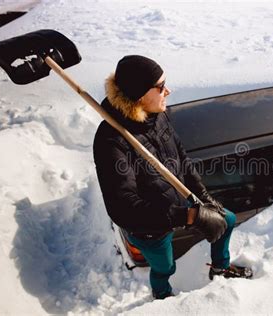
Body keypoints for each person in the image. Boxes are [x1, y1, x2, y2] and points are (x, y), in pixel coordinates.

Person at [93, 55, 252, 299]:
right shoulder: (112, 142)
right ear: (139, 95)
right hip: (150, 228)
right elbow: (123, 208)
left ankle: (220, 267)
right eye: (160, 87)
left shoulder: (158, 114)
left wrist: (203, 198)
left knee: (226, 220)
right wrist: (190, 216)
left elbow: (181, 158)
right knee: (165, 267)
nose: (168, 90)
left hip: (180, 200)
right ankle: (163, 296)